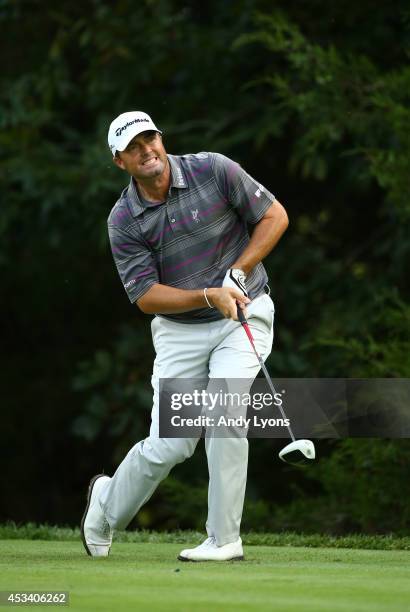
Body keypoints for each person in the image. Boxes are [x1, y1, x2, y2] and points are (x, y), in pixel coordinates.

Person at [81, 111, 288, 561]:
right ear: (120, 161)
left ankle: (224, 538)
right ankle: (105, 506)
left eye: (149, 139)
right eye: (133, 147)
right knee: (171, 444)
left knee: (226, 409)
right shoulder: (123, 220)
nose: (146, 150)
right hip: (181, 335)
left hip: (244, 314)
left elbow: (274, 216)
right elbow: (146, 297)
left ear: (161, 138)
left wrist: (238, 271)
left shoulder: (212, 169)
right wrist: (208, 295)